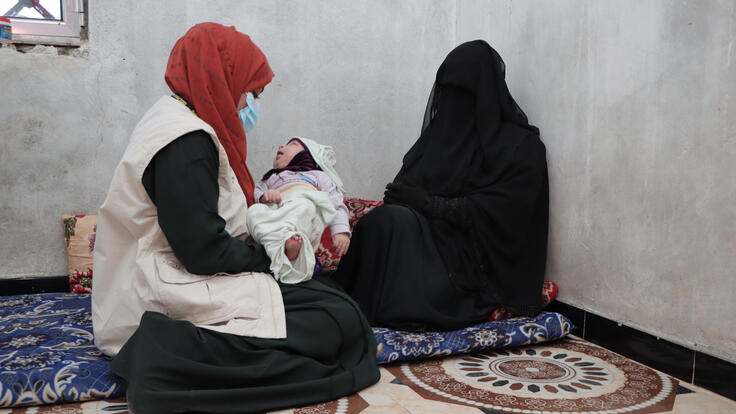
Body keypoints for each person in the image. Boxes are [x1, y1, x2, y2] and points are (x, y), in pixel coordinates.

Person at [91, 23, 378, 413]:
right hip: (167, 283)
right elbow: (202, 251)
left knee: (332, 299)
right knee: (336, 322)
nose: (249, 105)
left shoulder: (177, 119)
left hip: (185, 270)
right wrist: (270, 261)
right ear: (223, 79)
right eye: (252, 92)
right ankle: (161, 354)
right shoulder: (185, 141)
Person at [333, 40, 549, 332]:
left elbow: (504, 217)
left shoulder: (521, 148)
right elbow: (408, 188)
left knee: (395, 223)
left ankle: (384, 307)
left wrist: (430, 204)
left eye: (460, 92)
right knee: (382, 222)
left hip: (473, 265)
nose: (450, 101)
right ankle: (353, 305)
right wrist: (405, 196)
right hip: (429, 239)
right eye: (446, 90)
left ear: (484, 94)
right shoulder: (443, 137)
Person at [248, 136, 350, 283]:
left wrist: (340, 232)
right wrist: (265, 197)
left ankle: (293, 249)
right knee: (254, 211)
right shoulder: (270, 178)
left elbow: (336, 204)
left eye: (293, 144)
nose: (281, 146)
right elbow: (257, 194)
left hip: (304, 218)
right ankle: (282, 249)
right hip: (278, 218)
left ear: (307, 155)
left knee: (305, 205)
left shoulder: (317, 176)